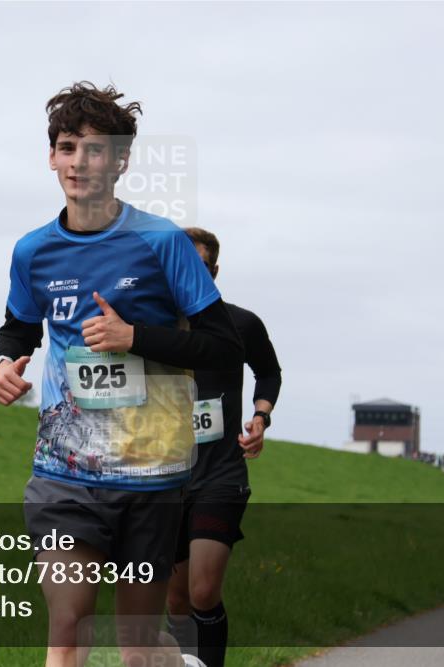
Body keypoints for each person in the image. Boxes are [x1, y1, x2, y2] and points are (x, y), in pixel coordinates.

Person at [0, 81, 243, 667]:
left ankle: (179, 661)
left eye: (96, 149)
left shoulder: (161, 242)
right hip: (64, 470)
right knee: (69, 621)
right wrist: (4, 363)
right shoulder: (32, 251)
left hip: (150, 474)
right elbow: (19, 328)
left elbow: (224, 349)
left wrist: (136, 339)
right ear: (52, 156)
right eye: (68, 147)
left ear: (121, 160)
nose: (80, 162)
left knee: (135, 647)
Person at [165, 227, 282, 667]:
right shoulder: (152, 325)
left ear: (214, 271)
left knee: (202, 592)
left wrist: (260, 416)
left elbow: (269, 373)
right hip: (167, 478)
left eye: (201, 266)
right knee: (175, 601)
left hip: (221, 474)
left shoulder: (241, 323)